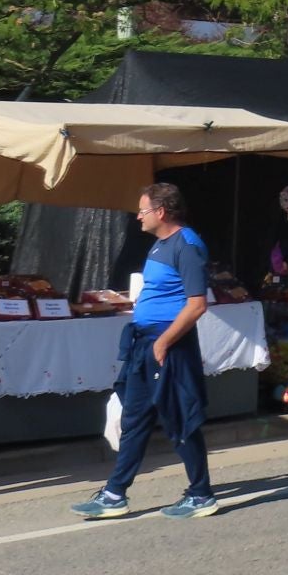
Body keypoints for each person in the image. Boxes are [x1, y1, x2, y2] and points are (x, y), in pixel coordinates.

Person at [73, 184, 218, 520]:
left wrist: (164, 342)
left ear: (162, 212)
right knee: (134, 418)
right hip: (144, 342)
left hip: (167, 344)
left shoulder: (187, 245)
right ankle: (114, 494)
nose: (138, 216)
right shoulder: (159, 246)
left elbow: (197, 305)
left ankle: (201, 494)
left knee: (178, 417)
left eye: (143, 210)